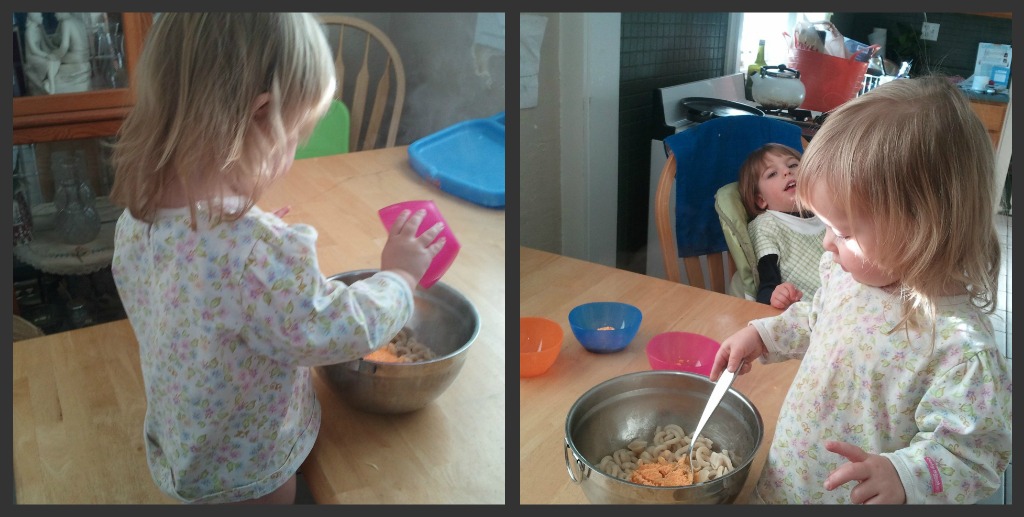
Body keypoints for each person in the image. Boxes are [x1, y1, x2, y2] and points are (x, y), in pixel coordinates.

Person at [108, 13, 446, 504]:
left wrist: (255, 244)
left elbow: (205, 290)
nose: (291, 157)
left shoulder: (134, 219)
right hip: (246, 471)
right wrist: (398, 274)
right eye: (294, 139)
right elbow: (337, 329)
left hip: (183, 442)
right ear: (260, 117)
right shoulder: (250, 253)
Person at [709, 76, 1011, 504]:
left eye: (843, 231)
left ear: (921, 232)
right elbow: (817, 319)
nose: (827, 243)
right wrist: (763, 335)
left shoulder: (962, 354)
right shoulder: (844, 274)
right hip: (790, 478)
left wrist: (906, 476)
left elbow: (975, 459)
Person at [737, 143, 825, 309]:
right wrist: (776, 296)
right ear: (761, 200)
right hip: (811, 311)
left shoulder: (827, 211)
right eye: (772, 174)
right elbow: (765, 289)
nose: (787, 171)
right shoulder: (767, 225)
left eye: (793, 165)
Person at [50, 12, 92, 93]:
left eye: (55, 12)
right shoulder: (78, 21)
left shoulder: (66, 22)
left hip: (75, 57)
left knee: (51, 59)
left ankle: (51, 86)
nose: (54, 15)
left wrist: (56, 55)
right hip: (85, 56)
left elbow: (64, 47)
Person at [23, 12, 59, 95]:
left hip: (39, 55)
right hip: (32, 57)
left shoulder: (38, 29)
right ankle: (51, 87)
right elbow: (33, 50)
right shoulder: (29, 31)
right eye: (39, 16)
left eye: (41, 16)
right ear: (33, 17)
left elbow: (44, 46)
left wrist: (53, 53)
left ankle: (47, 82)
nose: (42, 18)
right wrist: (47, 56)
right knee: (49, 63)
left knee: (56, 59)